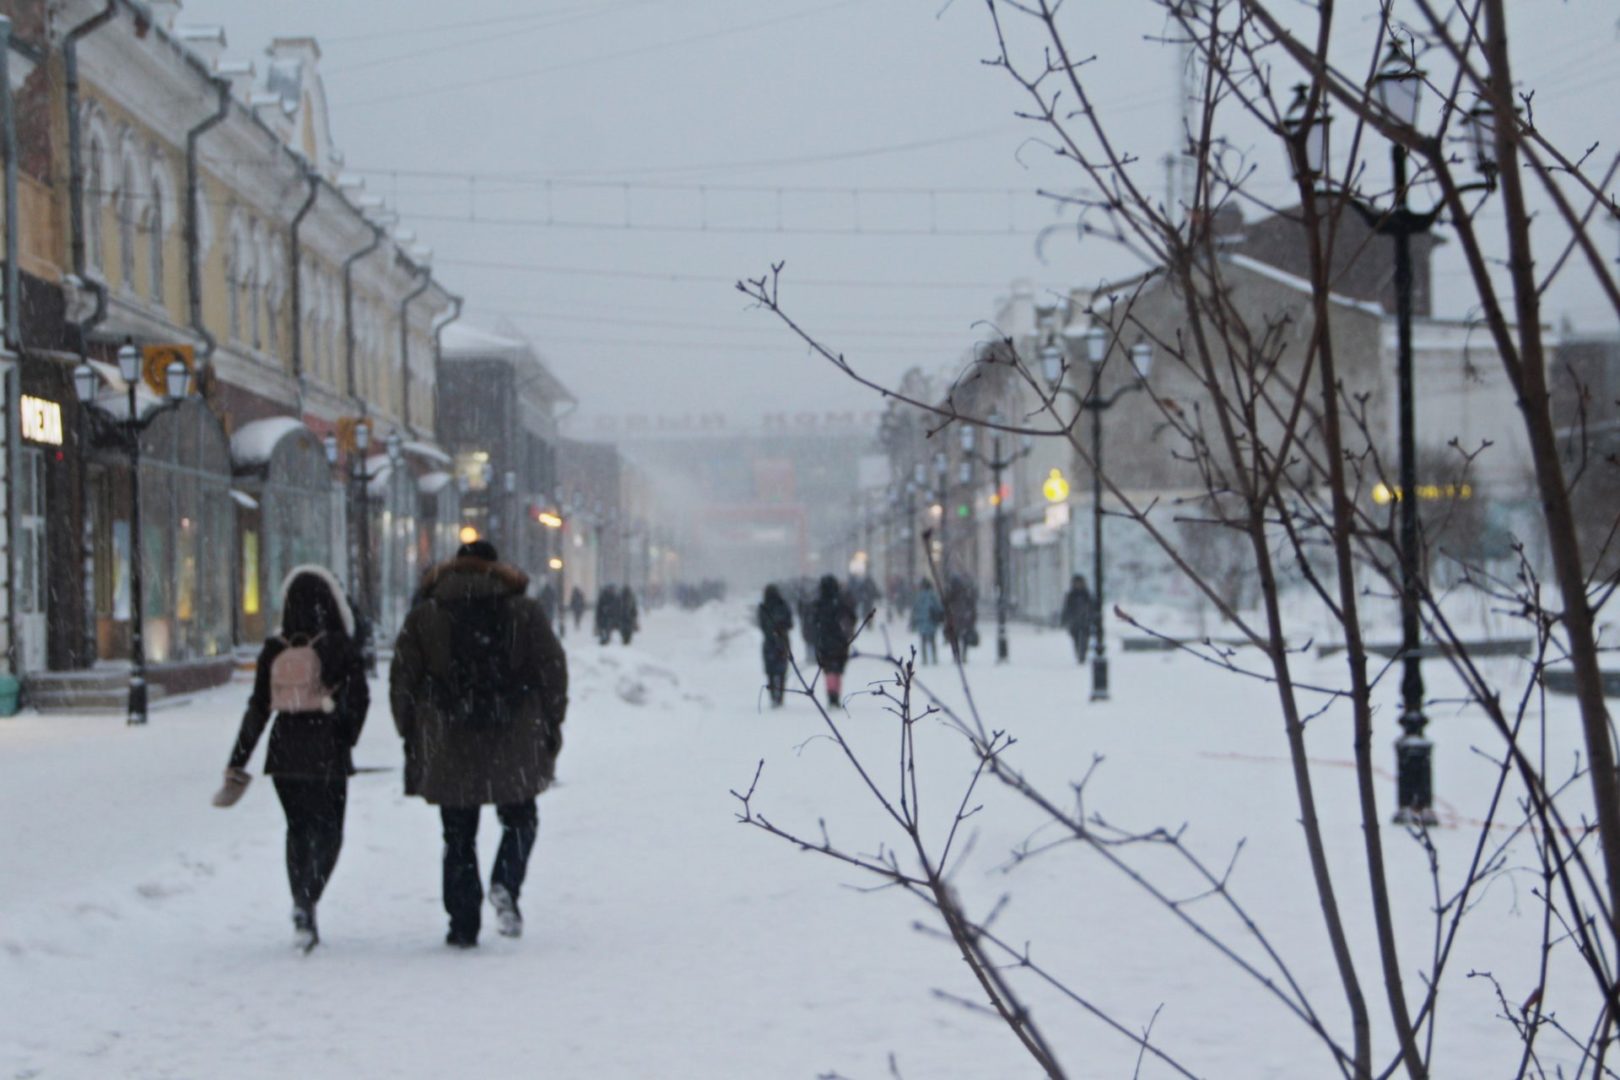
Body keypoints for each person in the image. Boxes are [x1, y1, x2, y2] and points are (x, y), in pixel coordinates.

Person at [390, 540, 568, 949]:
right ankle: (506, 881)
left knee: (458, 834)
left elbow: (403, 682)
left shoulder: (426, 615)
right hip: (515, 736)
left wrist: (414, 734)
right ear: (496, 568)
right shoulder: (525, 612)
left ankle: (463, 923)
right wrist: (549, 724)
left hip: (449, 740)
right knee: (521, 817)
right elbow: (553, 670)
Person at [215, 565, 369, 953]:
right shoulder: (338, 646)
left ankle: (301, 901)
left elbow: (257, 709)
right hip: (328, 753)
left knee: (298, 830)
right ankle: (309, 899)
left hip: (284, 753)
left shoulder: (274, 649)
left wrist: (239, 759)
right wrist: (346, 732)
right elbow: (361, 699)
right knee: (330, 832)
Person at [809, 574, 856, 707]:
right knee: (837, 669)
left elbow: (812, 621)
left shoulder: (819, 603)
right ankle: (835, 694)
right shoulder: (841, 602)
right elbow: (851, 617)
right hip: (840, 641)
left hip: (824, 641)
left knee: (829, 669)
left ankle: (831, 693)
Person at [757, 583, 795, 707]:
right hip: (782, 642)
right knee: (782, 671)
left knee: (771, 671)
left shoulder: (763, 607)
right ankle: (780, 696)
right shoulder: (783, 605)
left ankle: (773, 695)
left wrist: (770, 630)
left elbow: (761, 625)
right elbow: (790, 624)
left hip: (769, 642)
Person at [1060, 574, 1096, 664]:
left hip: (1085, 621)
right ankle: (1079, 653)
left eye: (1080, 583)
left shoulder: (1087, 594)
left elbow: (1092, 607)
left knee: (1085, 639)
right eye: (1077, 583)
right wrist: (1065, 619)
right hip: (1074, 622)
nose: (1078, 585)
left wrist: (1092, 618)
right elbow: (1066, 608)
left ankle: (1082, 654)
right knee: (1076, 639)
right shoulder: (1071, 595)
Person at [910, 578, 944, 666]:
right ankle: (934, 657)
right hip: (931, 621)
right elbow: (939, 608)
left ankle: (924, 659)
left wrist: (914, 621)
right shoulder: (933, 596)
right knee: (932, 640)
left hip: (921, 621)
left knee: (923, 640)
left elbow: (915, 609)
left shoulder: (919, 597)